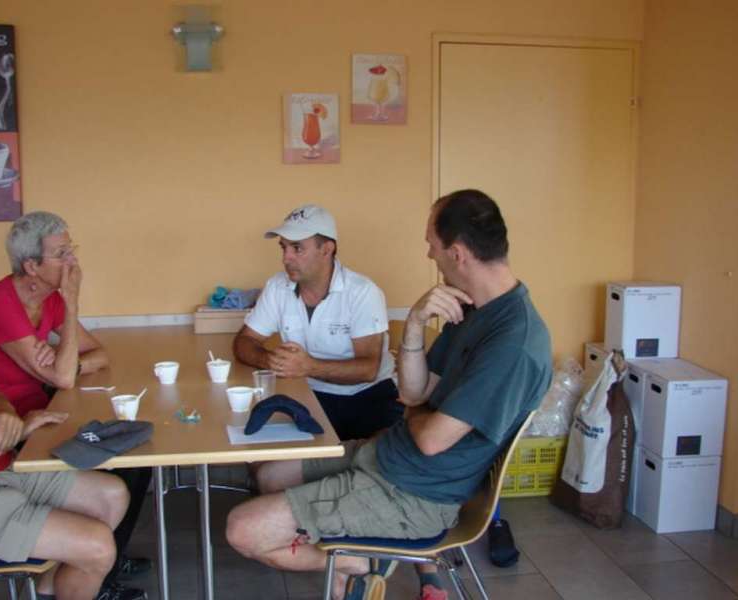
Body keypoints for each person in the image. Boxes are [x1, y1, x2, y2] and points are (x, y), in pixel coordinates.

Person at [225, 189, 552, 600]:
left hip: (416, 494)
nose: (428, 254)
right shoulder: (472, 310)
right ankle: (352, 557)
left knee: (241, 529)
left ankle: (357, 562)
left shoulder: (512, 342)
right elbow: (415, 392)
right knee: (269, 474)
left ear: (458, 253)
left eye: (432, 245)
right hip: (388, 454)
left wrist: (412, 414)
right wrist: (414, 322)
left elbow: (429, 437)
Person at [0, 212, 149, 600]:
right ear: (32, 266)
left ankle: (53, 587)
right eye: (62, 253)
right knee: (100, 538)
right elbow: (62, 379)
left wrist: (1, 406)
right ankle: (90, 567)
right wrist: (7, 428)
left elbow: (93, 355)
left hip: (8, 445)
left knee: (115, 490)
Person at [233, 204, 403, 441]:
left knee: (378, 461)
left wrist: (308, 367)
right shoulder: (277, 287)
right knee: (261, 456)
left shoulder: (363, 292)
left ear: (326, 249)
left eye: (297, 248)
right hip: (307, 394)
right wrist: (269, 360)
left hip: (369, 397)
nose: (286, 258)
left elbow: (368, 369)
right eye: (283, 247)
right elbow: (245, 341)